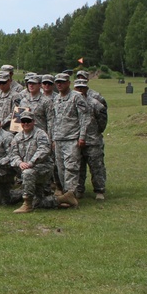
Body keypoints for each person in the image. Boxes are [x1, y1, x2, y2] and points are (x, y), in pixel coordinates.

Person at [49, 73, 90, 208]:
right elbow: (53, 120)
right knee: (61, 169)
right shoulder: (56, 99)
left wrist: (82, 136)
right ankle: (67, 194)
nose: (59, 84)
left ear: (68, 83)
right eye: (57, 82)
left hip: (72, 138)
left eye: (62, 82)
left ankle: (70, 194)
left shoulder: (76, 97)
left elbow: (84, 118)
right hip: (59, 138)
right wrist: (53, 138)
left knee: (71, 167)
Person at [9, 111, 57, 213]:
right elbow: (13, 154)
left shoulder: (41, 134)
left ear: (33, 122)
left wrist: (31, 163)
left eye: (28, 121)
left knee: (28, 173)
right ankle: (63, 199)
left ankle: (27, 204)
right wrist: (20, 163)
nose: (26, 124)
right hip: (26, 169)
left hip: (43, 168)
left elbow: (43, 150)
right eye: (23, 121)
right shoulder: (17, 137)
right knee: (38, 202)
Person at [74, 78, 107, 201]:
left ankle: (99, 190)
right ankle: (79, 190)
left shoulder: (95, 103)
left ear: (86, 89)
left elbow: (102, 120)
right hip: (77, 140)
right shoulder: (73, 102)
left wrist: (97, 132)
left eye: (82, 88)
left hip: (93, 141)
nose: (80, 90)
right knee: (78, 167)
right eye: (77, 88)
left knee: (96, 167)